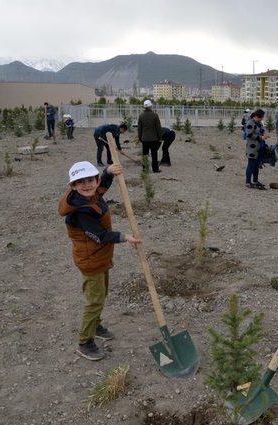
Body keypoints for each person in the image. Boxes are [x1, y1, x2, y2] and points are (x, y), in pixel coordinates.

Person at [58, 161, 140, 360]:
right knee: (94, 300)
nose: (87, 185)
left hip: (100, 256)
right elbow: (100, 235)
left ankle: (95, 325)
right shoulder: (80, 211)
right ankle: (85, 341)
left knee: (101, 294)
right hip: (90, 259)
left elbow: (100, 190)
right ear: (73, 186)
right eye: (80, 182)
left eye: (90, 180)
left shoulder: (88, 195)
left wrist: (108, 173)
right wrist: (124, 237)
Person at [244, 109, 268, 189]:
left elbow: (261, 131)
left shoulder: (259, 123)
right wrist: (260, 137)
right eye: (261, 117)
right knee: (251, 165)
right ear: (257, 116)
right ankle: (248, 182)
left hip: (259, 147)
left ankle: (255, 181)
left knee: (257, 165)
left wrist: (264, 135)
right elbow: (249, 135)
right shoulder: (250, 123)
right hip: (252, 148)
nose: (262, 119)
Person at [137, 100, 163, 173]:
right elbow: (158, 127)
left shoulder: (141, 116)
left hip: (144, 139)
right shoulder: (155, 115)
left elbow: (139, 128)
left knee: (145, 154)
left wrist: (140, 137)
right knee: (154, 154)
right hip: (154, 139)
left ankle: (145, 169)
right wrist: (160, 138)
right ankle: (155, 169)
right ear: (150, 106)